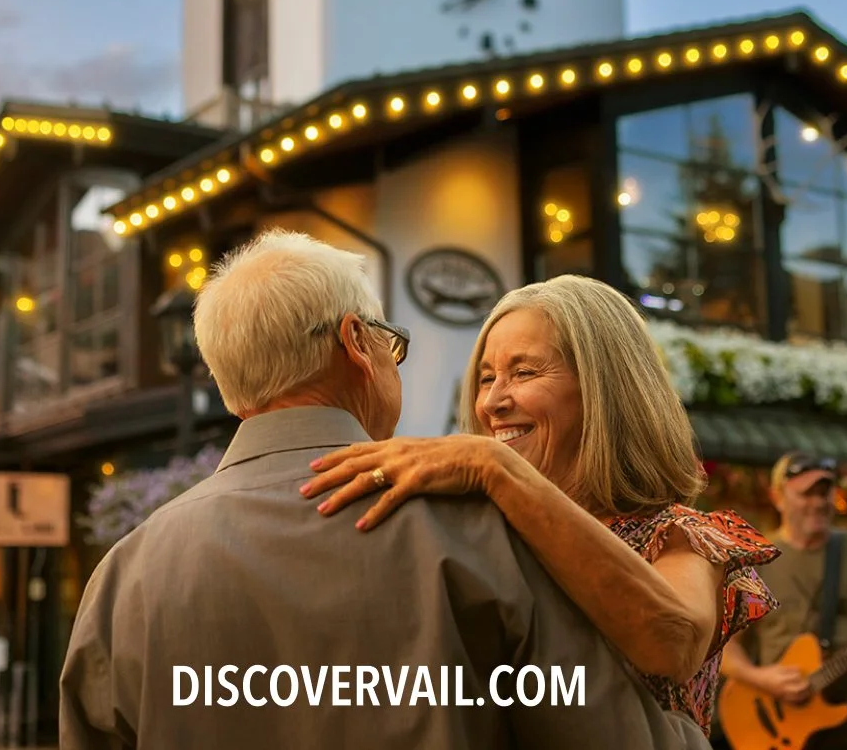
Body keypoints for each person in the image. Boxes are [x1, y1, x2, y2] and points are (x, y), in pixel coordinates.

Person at [57, 230, 714, 750]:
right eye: (390, 344)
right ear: (357, 343)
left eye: (524, 371)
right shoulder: (489, 533)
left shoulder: (125, 577)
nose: (493, 401)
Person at [303, 275, 779, 736]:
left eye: (525, 372)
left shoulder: (681, 534)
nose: (491, 402)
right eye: (486, 378)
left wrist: (493, 465)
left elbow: (673, 642)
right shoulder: (477, 527)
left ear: (604, 388)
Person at [718, 453, 847, 750]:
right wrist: (760, 678)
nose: (818, 503)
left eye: (825, 492)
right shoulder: (754, 563)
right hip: (785, 734)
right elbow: (726, 648)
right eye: (807, 493)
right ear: (777, 497)